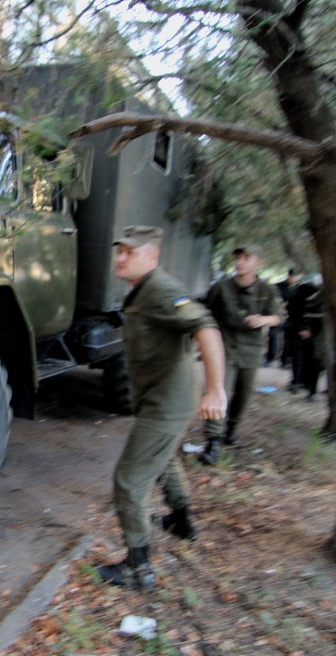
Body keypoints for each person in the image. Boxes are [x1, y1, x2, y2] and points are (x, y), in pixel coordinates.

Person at [96, 226, 227, 591]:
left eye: (130, 252)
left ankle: (138, 568)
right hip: (159, 398)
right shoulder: (142, 291)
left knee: (129, 479)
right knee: (164, 460)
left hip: (167, 404)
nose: (121, 258)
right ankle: (181, 521)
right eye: (119, 250)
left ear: (151, 257)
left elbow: (207, 328)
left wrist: (216, 389)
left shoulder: (161, 289)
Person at [198, 245, 281, 465]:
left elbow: (278, 317)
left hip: (251, 351)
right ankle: (213, 441)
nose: (240, 262)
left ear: (257, 263)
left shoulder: (266, 290)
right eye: (238, 258)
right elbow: (204, 313)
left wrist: (263, 320)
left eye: (246, 258)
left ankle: (231, 429)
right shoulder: (221, 288)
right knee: (219, 392)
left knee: (242, 396)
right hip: (223, 349)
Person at [269, 268, 301, 368]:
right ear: (290, 276)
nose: (296, 279)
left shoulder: (298, 288)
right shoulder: (278, 287)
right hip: (278, 315)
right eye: (295, 277)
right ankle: (270, 357)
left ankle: (285, 360)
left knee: (288, 340)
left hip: (291, 316)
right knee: (273, 336)